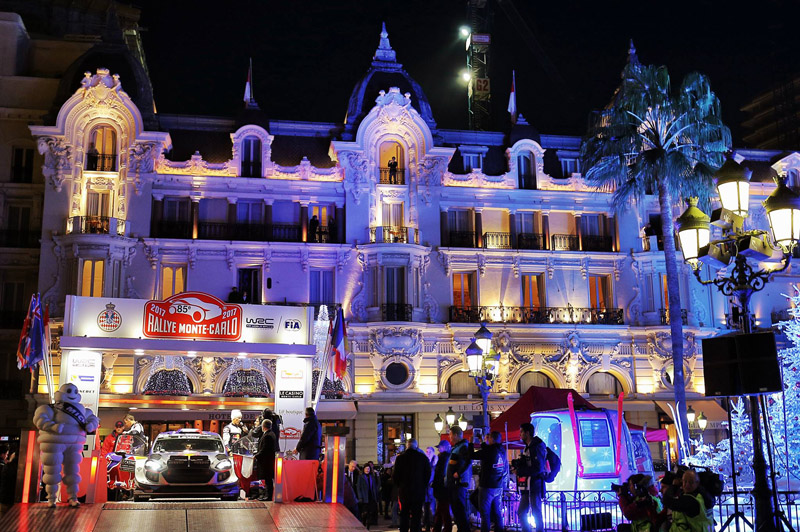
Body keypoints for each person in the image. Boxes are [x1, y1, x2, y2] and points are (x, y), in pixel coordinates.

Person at [512, 422, 547, 532]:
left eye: (521, 432)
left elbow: (538, 468)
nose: (520, 435)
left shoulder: (536, 446)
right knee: (522, 512)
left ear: (527, 433)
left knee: (536, 512)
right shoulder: (528, 447)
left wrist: (520, 471)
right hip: (527, 485)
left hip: (535, 484)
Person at [393, 439, 432, 532]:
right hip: (418, 491)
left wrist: (400, 485)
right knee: (416, 515)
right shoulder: (423, 458)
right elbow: (428, 474)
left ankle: (404, 530)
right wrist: (423, 485)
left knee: (404, 514)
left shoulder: (400, 458)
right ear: (416, 446)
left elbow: (395, 475)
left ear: (407, 446)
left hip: (404, 491)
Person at [473, 430, 508, 532]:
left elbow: (473, 455)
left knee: (485, 513)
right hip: (498, 486)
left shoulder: (489, 450)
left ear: (491, 438)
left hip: (487, 486)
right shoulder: (502, 451)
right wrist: (482, 442)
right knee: (498, 513)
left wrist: (471, 443)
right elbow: (488, 450)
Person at [446, 426, 473, 532]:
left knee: (459, 509)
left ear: (456, 435)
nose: (449, 437)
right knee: (456, 510)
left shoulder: (463, 447)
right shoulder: (457, 447)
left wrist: (459, 473)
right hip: (453, 483)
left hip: (458, 484)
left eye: (450, 434)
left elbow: (468, 461)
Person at [431, 440, 452, 532]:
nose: (438, 449)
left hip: (442, 487)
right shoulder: (444, 457)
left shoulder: (444, 457)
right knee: (441, 509)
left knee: (443, 509)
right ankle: (438, 527)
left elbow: (441, 473)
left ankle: (445, 528)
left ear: (445, 447)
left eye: (440, 447)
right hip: (442, 487)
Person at [254, 419, 277, 501]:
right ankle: (266, 495)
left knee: (267, 478)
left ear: (263, 426)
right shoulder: (271, 434)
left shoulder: (268, 436)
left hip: (266, 461)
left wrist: (256, 456)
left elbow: (264, 449)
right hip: (268, 460)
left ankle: (268, 496)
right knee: (268, 479)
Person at [357, 463, 381, 529]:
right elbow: (358, 488)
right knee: (365, 512)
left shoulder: (372, 476)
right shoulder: (361, 477)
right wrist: (360, 497)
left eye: (368, 469)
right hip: (364, 497)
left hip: (371, 497)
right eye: (366, 469)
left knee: (370, 512)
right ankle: (364, 523)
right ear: (364, 469)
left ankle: (368, 526)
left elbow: (375, 486)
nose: (367, 470)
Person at [0, 443, 18, 515]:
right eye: (6, 454)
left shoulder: (7, 466)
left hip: (4, 498)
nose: (7, 456)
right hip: (9, 499)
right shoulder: (4, 466)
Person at [423, 446, 438, 532]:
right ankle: (427, 524)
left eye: (429, 451)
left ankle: (432, 523)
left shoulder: (434, 462)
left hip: (431, 487)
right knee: (426, 506)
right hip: (426, 487)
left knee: (432, 506)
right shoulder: (426, 461)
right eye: (426, 451)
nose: (427, 453)